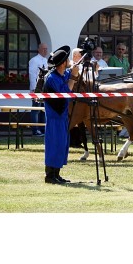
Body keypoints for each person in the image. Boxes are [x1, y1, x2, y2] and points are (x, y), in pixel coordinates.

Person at [43, 45, 79, 184]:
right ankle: (50, 176)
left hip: (62, 116)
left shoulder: (63, 74)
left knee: (62, 144)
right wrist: (74, 76)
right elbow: (66, 95)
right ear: (63, 63)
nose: (70, 61)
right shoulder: (52, 78)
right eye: (68, 59)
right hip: (55, 116)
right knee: (54, 144)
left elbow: (72, 76)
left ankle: (56, 174)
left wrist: (75, 72)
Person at [28, 42, 48, 136]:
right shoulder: (34, 60)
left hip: (44, 89)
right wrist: (33, 88)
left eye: (46, 49)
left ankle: (43, 128)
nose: (45, 50)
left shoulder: (46, 60)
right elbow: (32, 74)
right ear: (39, 49)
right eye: (43, 49)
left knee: (43, 109)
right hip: (36, 88)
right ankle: (35, 130)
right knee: (35, 109)